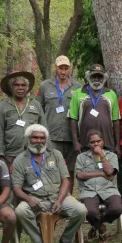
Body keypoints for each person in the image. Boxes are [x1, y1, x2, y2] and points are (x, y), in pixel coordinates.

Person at [12, 124, 87, 243]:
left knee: (80, 210)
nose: (39, 141)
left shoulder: (56, 155)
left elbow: (65, 180)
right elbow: (16, 189)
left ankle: (66, 240)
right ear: (28, 138)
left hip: (57, 196)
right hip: (35, 198)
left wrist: (59, 200)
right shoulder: (20, 160)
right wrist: (29, 200)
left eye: (42, 138)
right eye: (35, 137)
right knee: (20, 211)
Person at [38, 56, 82, 192]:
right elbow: (39, 110)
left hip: (71, 137)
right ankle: (51, 198)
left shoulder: (78, 87)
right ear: (55, 68)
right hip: (51, 136)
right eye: (60, 68)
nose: (63, 71)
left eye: (66, 68)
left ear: (70, 68)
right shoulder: (45, 86)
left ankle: (67, 199)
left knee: (69, 170)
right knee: (51, 168)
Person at [75, 130, 122, 241]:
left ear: (103, 141)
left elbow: (110, 171)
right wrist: (101, 173)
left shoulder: (111, 156)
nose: (96, 144)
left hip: (108, 189)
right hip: (88, 190)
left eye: (98, 141)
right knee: (90, 212)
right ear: (88, 144)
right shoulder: (81, 157)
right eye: (92, 142)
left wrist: (102, 155)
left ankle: (97, 225)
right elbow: (80, 175)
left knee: (117, 209)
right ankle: (101, 227)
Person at [0, 71, 47, 165]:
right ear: (11, 87)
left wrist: (48, 153)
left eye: (23, 85)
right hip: (10, 156)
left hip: (33, 153)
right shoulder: (3, 106)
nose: (20, 88)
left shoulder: (36, 105)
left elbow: (44, 130)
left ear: (27, 88)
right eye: (16, 85)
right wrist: (0, 156)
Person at [68, 64, 120, 156]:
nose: (96, 79)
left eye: (100, 76)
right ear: (88, 76)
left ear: (105, 78)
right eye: (93, 76)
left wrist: (117, 144)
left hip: (107, 142)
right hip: (85, 143)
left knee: (109, 169)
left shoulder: (111, 94)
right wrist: (75, 142)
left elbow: (116, 120)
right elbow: (73, 119)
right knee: (87, 169)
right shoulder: (78, 93)